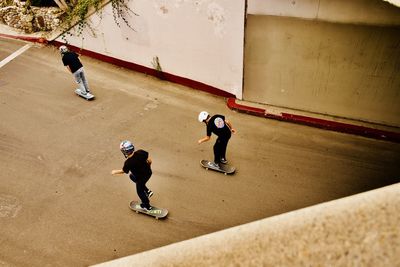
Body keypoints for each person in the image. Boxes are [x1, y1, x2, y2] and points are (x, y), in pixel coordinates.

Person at [111, 140, 154, 211]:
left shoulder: (128, 163)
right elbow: (149, 160)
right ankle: (147, 191)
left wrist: (115, 172)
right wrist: (148, 167)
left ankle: (146, 206)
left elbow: (123, 171)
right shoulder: (141, 152)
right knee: (131, 176)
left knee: (139, 191)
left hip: (141, 178)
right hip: (148, 173)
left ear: (124, 152)